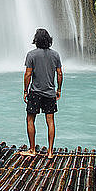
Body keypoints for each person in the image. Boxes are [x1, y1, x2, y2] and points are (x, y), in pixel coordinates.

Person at [20, 28, 63, 159]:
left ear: (36, 40)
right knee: (50, 121)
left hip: (35, 92)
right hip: (50, 93)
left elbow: (28, 74)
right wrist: (59, 89)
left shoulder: (31, 55)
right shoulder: (55, 55)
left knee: (30, 119)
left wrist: (25, 90)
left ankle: (32, 149)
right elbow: (60, 73)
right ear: (49, 40)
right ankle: (50, 152)